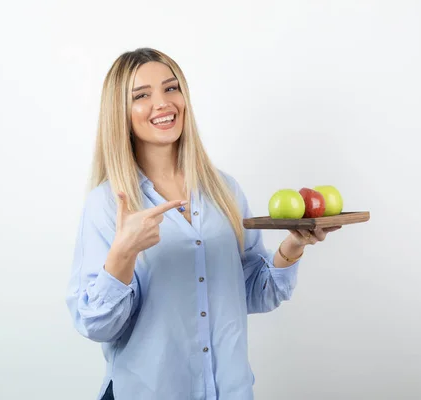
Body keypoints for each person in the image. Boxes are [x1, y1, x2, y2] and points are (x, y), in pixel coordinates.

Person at [65, 48, 341, 400]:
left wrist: (294, 245)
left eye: (171, 88)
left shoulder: (224, 190)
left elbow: (255, 292)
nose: (162, 103)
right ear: (120, 112)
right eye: (142, 95)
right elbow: (96, 324)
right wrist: (123, 253)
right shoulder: (106, 204)